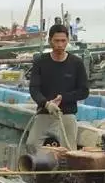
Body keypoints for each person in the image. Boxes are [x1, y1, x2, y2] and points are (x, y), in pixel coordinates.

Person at [27, 24, 89, 153]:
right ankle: (40, 169)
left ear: (68, 41)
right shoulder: (40, 62)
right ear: (50, 41)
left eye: (63, 41)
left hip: (67, 114)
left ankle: (66, 172)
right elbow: (34, 89)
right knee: (31, 144)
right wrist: (46, 104)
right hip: (45, 113)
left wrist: (64, 98)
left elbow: (84, 91)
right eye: (56, 41)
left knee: (69, 151)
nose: (60, 44)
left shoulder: (76, 63)